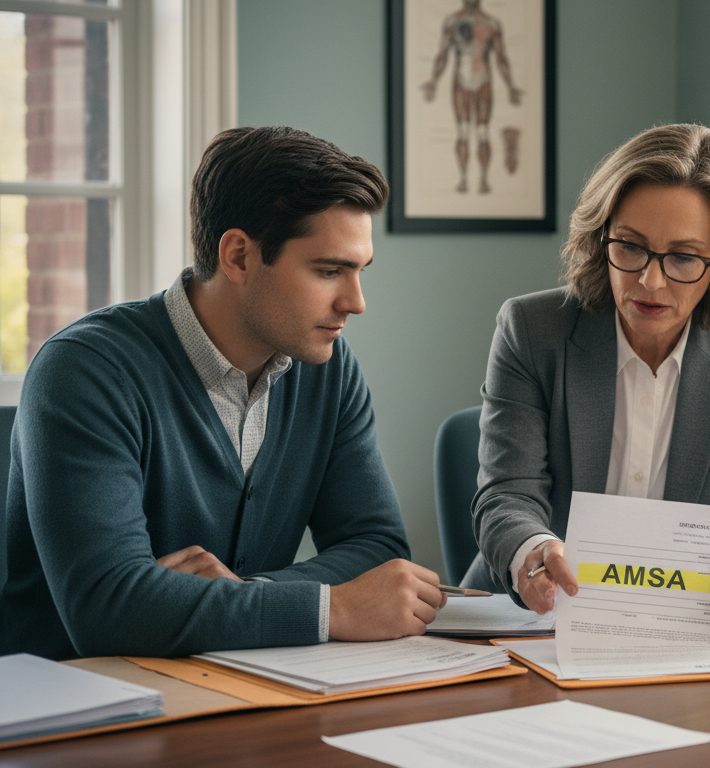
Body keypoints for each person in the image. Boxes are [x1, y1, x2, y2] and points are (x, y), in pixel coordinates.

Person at [1, 126, 446, 660]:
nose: (355, 301)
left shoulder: (326, 366)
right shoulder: (84, 371)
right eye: (330, 271)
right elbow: (109, 611)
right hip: (82, 713)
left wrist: (237, 596)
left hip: (239, 689)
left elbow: (376, 551)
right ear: (238, 256)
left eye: (359, 271)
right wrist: (336, 608)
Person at [463, 124, 710, 630]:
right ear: (602, 238)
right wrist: (533, 548)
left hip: (681, 626)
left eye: (683, 257)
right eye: (630, 246)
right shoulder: (533, 331)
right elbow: (506, 495)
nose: (650, 280)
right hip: (532, 620)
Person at [421, 0, 523, 195]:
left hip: (483, 81)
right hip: (461, 82)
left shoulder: (491, 23)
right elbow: (442, 55)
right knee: (463, 132)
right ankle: (464, 179)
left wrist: (511, 86)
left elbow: (501, 58)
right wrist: (433, 81)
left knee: (483, 132)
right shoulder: (452, 21)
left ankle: (483, 179)